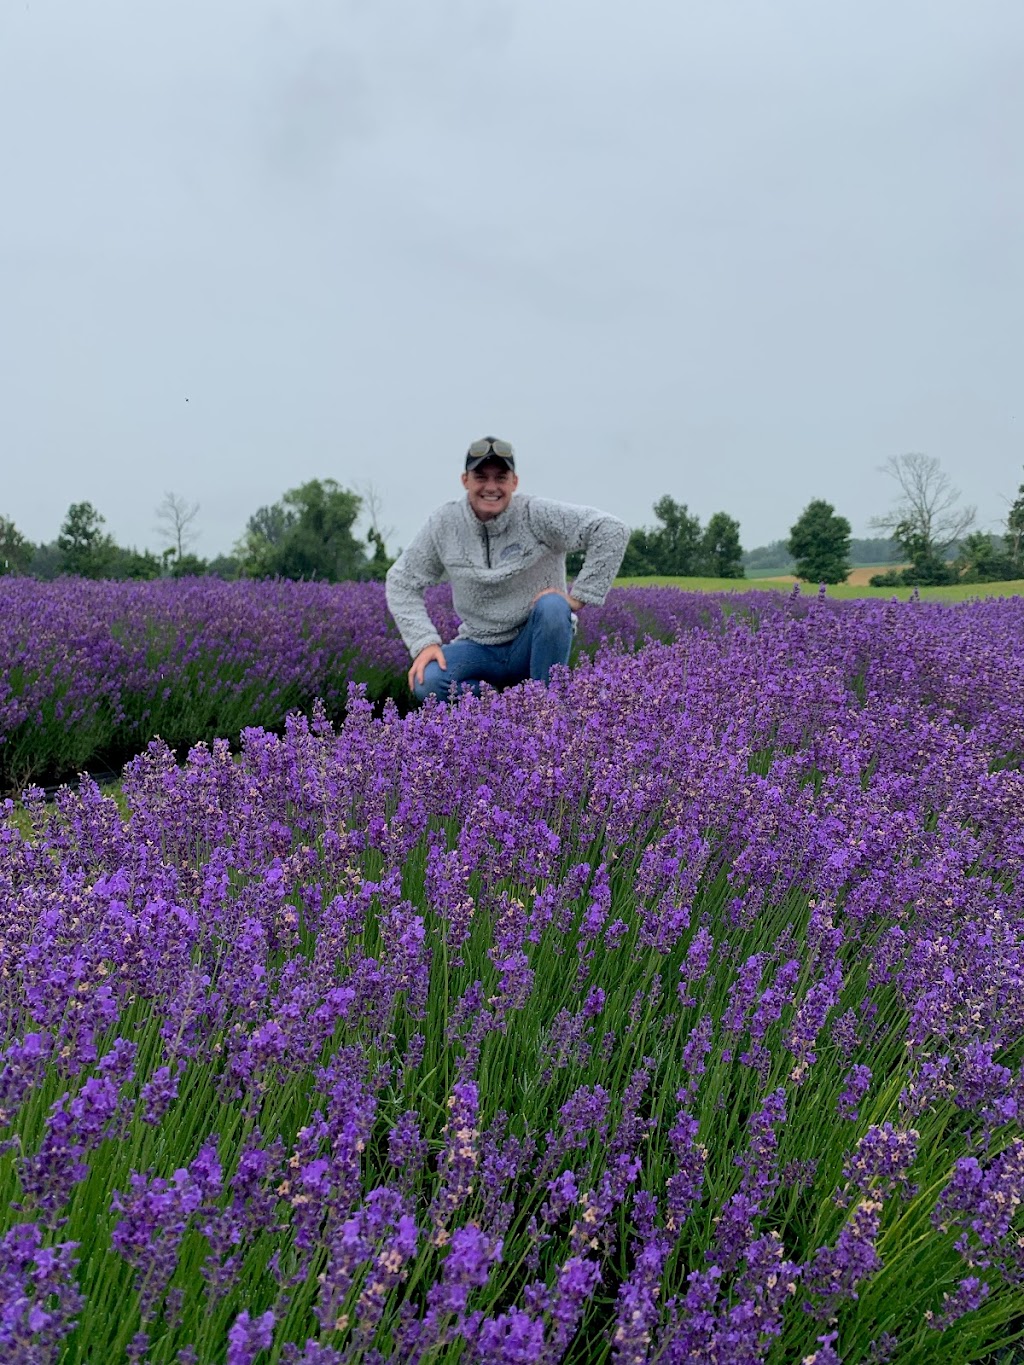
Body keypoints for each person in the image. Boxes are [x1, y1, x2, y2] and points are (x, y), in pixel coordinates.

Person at [385, 436, 629, 703]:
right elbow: (401, 581)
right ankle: (512, 706)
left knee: (553, 606)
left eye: (500, 478)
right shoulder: (445, 524)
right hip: (479, 646)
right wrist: (425, 642)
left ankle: (546, 710)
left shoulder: (535, 513)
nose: (491, 487)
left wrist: (578, 596)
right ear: (465, 480)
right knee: (427, 683)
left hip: (532, 642)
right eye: (481, 477)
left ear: (515, 482)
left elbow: (611, 529)